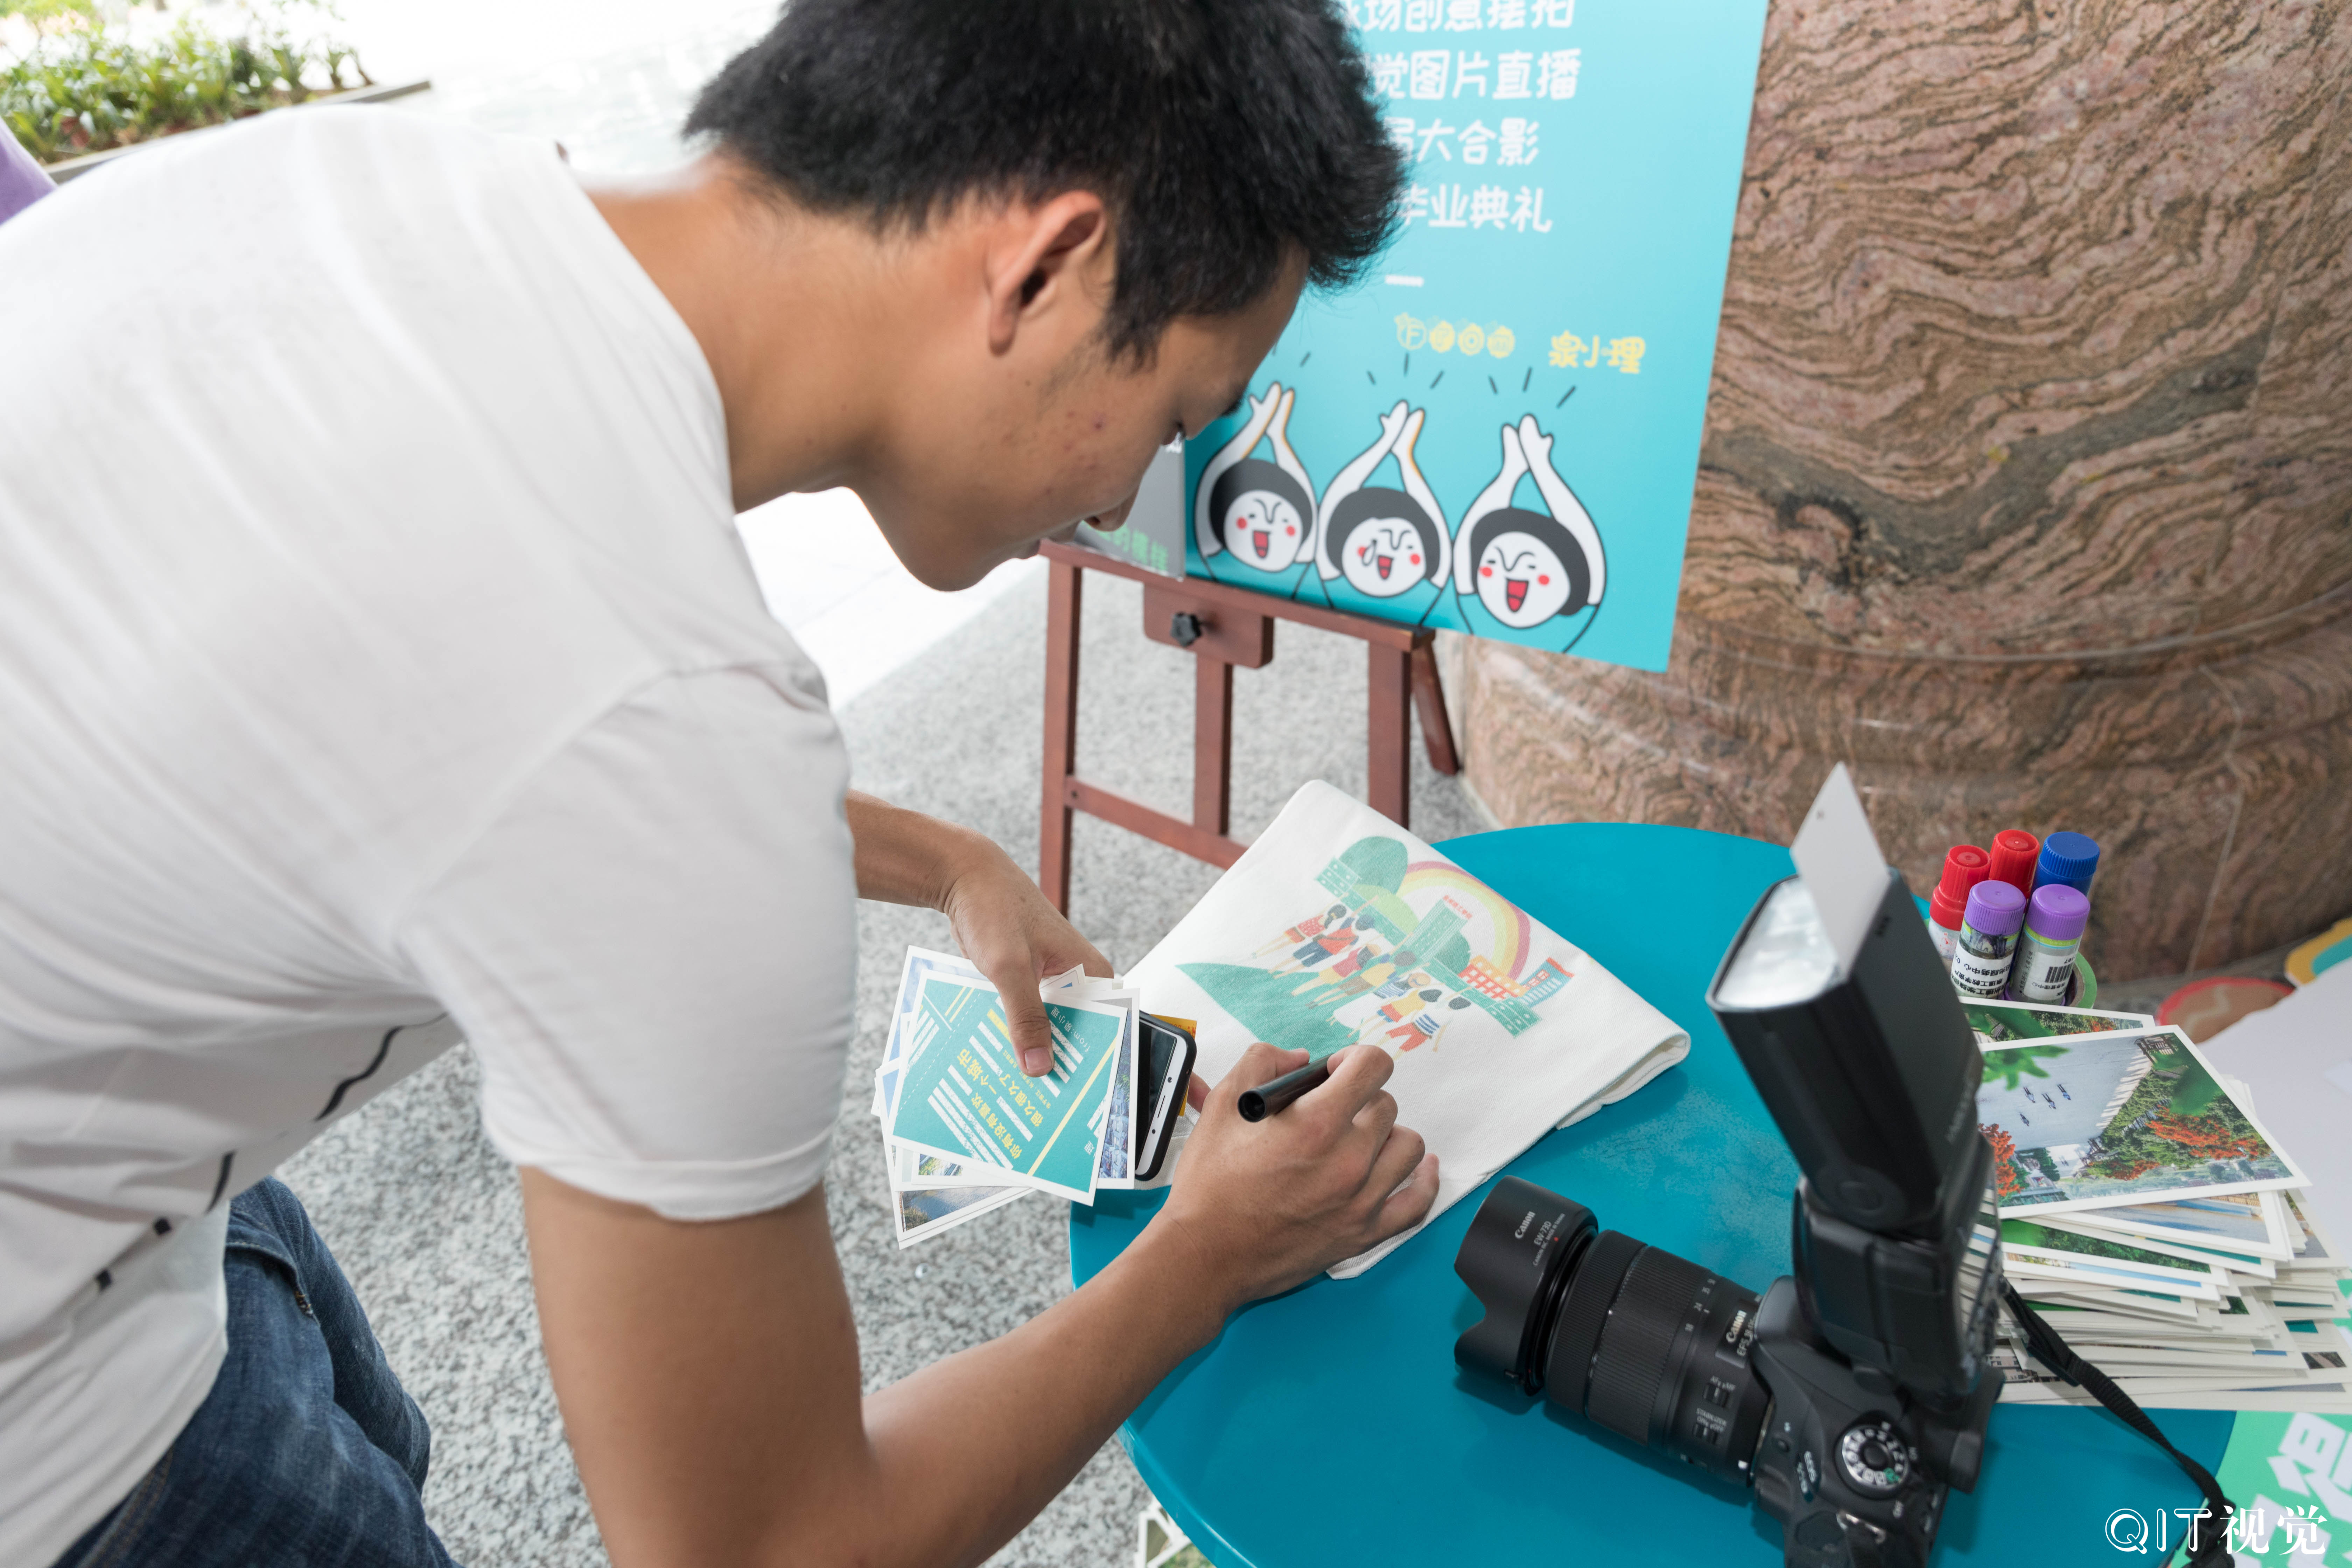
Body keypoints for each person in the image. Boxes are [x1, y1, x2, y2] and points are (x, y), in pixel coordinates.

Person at [0, 3, 1438, 1566]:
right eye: (1172, 419)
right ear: (1046, 270)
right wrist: (1209, 1251)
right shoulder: (662, 719)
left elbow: (456, 714)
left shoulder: (360, 188)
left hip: (144, 1173)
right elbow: (763, 1546)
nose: (1120, 498)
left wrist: (941, 857)